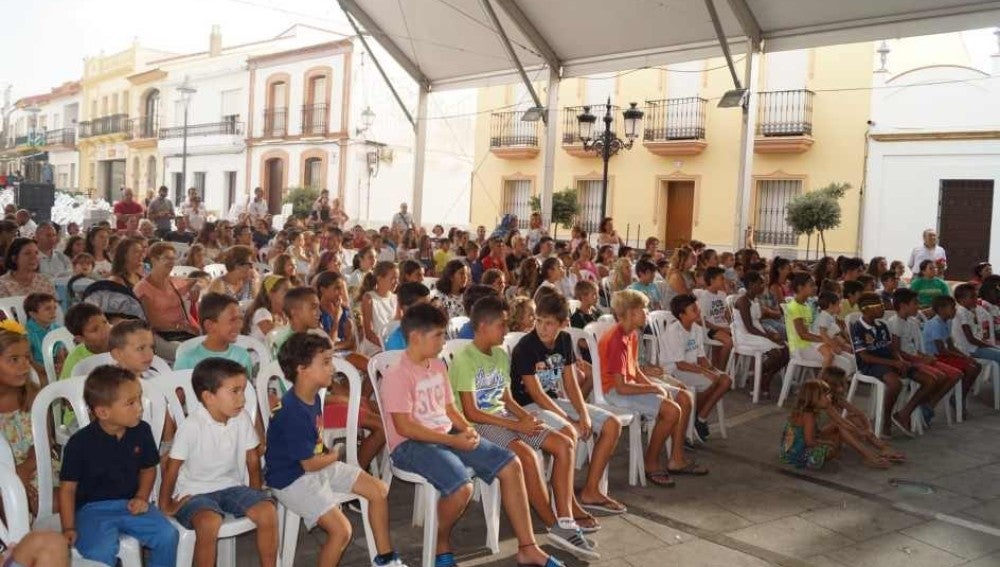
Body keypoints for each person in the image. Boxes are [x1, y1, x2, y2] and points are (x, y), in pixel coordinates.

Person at [379, 303, 564, 567]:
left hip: (445, 434)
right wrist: (453, 439)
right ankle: (441, 543)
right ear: (416, 337)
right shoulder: (397, 374)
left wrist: (465, 428)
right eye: (438, 336)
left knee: (511, 464)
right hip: (411, 444)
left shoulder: (437, 365)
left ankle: (528, 546)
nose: (444, 343)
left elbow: (449, 408)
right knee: (461, 486)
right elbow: (405, 427)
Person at [451, 296, 600, 558]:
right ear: (484, 326)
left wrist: (524, 418)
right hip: (481, 424)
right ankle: (552, 523)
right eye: (502, 325)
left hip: (505, 415)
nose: (507, 330)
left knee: (563, 443)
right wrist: (514, 422)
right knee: (530, 457)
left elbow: (507, 398)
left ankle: (565, 519)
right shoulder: (465, 360)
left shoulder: (498, 354)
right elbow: (472, 412)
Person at [266, 333, 408, 567]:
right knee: (341, 531)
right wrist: (335, 454)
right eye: (325, 362)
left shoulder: (313, 397)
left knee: (379, 490)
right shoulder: (292, 411)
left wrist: (329, 456)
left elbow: (315, 450)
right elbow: (309, 464)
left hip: (316, 466)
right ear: (302, 369)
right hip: (291, 479)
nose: (333, 368)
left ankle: (386, 559)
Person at [158, 358, 278, 567]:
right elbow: (173, 466)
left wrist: (254, 493)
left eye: (243, 391)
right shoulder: (191, 426)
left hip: (231, 486)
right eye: (235, 391)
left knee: (267, 512)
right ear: (209, 397)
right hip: (194, 491)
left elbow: (252, 458)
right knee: (208, 523)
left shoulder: (241, 418)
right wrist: (165, 504)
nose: (242, 399)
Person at [512, 294, 625, 516]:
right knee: (568, 432)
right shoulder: (525, 347)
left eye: (549, 323)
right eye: (539, 321)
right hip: (528, 407)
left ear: (563, 323)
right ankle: (566, 501)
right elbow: (536, 394)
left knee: (612, 424)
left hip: (554, 402)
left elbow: (571, 383)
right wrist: (569, 419)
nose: (542, 328)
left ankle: (591, 490)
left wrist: (583, 413)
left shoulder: (564, 340)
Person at [58, 365, 179, 567]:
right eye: (130, 403)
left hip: (130, 504)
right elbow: (67, 489)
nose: (140, 407)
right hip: (91, 511)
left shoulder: (142, 431)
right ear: (103, 412)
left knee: (167, 535)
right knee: (101, 550)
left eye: (139, 399)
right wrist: (69, 527)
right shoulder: (79, 443)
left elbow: (148, 468)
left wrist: (141, 497)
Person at [600, 290, 705, 487]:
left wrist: (653, 385)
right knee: (671, 411)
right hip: (614, 392)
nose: (647, 313)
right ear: (631, 313)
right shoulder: (617, 339)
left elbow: (635, 369)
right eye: (643, 310)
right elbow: (621, 387)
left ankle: (676, 459)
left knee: (684, 397)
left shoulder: (631, 333)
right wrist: (652, 390)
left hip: (629, 385)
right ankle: (651, 462)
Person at [850, 293, 934, 437]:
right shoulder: (858, 327)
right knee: (895, 384)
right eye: (880, 306)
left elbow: (892, 349)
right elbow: (865, 357)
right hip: (871, 365)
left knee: (929, 380)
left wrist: (900, 361)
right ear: (867, 309)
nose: (884, 309)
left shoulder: (882, 325)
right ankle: (886, 419)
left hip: (890, 361)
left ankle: (904, 413)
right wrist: (893, 362)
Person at [887, 288, 964, 426]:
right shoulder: (895, 322)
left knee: (956, 374)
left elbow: (914, 348)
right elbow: (896, 351)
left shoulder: (911, 322)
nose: (918, 306)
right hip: (906, 361)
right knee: (937, 377)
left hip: (916, 358)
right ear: (904, 305)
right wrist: (920, 359)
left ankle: (927, 406)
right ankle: (906, 413)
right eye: (915, 303)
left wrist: (925, 356)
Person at [662, 294, 733, 440]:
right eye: (693, 309)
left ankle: (700, 417)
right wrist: (706, 372)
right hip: (674, 371)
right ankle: (694, 414)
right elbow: (680, 364)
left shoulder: (696, 328)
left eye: (697, 308)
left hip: (691, 367)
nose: (698, 311)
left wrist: (711, 369)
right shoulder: (674, 331)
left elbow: (701, 356)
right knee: (710, 380)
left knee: (725, 380)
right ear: (681, 315)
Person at [779, 380, 891, 470]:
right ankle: (868, 456)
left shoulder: (812, 409)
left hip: (802, 442)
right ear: (814, 399)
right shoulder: (808, 416)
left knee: (838, 426)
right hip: (798, 453)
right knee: (832, 448)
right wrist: (828, 442)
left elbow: (841, 421)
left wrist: (860, 432)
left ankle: (868, 455)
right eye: (826, 395)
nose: (829, 398)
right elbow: (809, 441)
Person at [731, 272, 788, 398]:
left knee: (786, 351)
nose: (763, 285)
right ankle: (758, 377)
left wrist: (770, 333)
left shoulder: (755, 300)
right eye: (760, 283)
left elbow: (758, 323)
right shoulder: (743, 301)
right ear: (751, 285)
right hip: (745, 335)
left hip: (757, 332)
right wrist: (768, 336)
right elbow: (749, 327)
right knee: (776, 353)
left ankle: (764, 376)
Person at [922, 295, 981, 414]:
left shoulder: (948, 322)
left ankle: (960, 397)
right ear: (941, 309)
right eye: (952, 308)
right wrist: (962, 358)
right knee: (970, 368)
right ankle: (954, 399)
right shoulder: (935, 324)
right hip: (935, 356)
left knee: (976, 365)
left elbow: (951, 346)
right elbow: (941, 350)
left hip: (944, 354)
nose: (955, 310)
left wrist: (966, 357)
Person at [784, 273, 853, 373]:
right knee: (844, 363)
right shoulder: (794, 306)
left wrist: (830, 340)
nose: (815, 288)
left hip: (812, 344)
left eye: (815, 285)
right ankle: (823, 384)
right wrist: (827, 340)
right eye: (811, 285)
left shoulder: (807, 305)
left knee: (848, 357)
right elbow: (803, 335)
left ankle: (829, 384)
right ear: (800, 287)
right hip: (802, 348)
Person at [174, 293, 254, 379]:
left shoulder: (242, 356)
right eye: (232, 320)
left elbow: (246, 390)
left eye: (240, 319)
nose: (239, 325)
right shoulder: (187, 361)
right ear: (210, 325)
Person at [693, 267, 733, 368]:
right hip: (710, 329)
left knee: (738, 337)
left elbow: (726, 314)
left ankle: (718, 367)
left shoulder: (722, 294)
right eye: (721, 279)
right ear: (712, 280)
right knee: (728, 342)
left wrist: (731, 324)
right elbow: (702, 321)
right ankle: (721, 370)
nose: (724, 281)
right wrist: (721, 328)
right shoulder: (704, 297)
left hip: (723, 327)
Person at [59, 303, 110, 380]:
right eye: (95, 329)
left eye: (105, 322)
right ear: (80, 338)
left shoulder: (122, 343)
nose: (105, 330)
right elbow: (66, 388)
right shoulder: (75, 361)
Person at [358, 261, 399, 356]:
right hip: (374, 348)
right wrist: (386, 347)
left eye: (397, 278)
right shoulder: (369, 298)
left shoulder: (396, 298)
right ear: (380, 278)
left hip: (391, 347)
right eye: (392, 278)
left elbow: (398, 327)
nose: (396, 282)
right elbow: (369, 333)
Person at [383, 282, 430, 351]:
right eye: (423, 307)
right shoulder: (396, 343)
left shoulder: (432, 332)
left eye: (429, 306)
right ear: (406, 309)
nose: (429, 311)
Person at [244, 275, 289, 344]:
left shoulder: (283, 314)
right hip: (258, 353)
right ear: (271, 294)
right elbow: (274, 337)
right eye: (285, 291)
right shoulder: (261, 313)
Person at [24, 292, 61, 375]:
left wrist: (61, 364)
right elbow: (29, 359)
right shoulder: (26, 333)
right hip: (38, 370)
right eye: (48, 309)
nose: (53, 312)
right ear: (33, 314)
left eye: (54, 308)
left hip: (56, 367)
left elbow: (61, 351)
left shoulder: (57, 328)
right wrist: (45, 371)